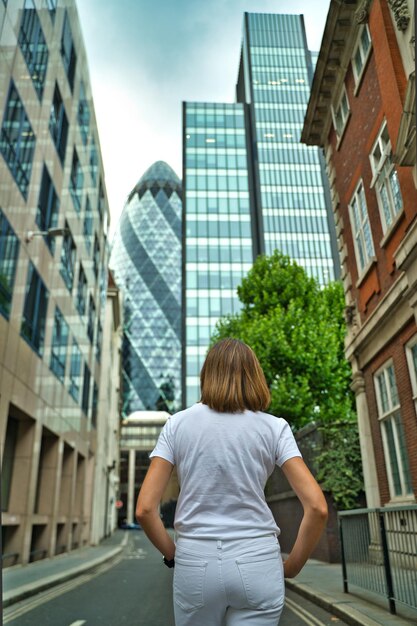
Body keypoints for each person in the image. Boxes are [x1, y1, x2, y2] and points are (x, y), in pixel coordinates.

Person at [136, 338, 328, 625]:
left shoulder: (176, 424)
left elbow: (145, 510)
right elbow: (317, 508)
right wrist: (292, 566)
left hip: (195, 560)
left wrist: (176, 555)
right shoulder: (275, 428)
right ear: (254, 376)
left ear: (207, 375)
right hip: (258, 560)